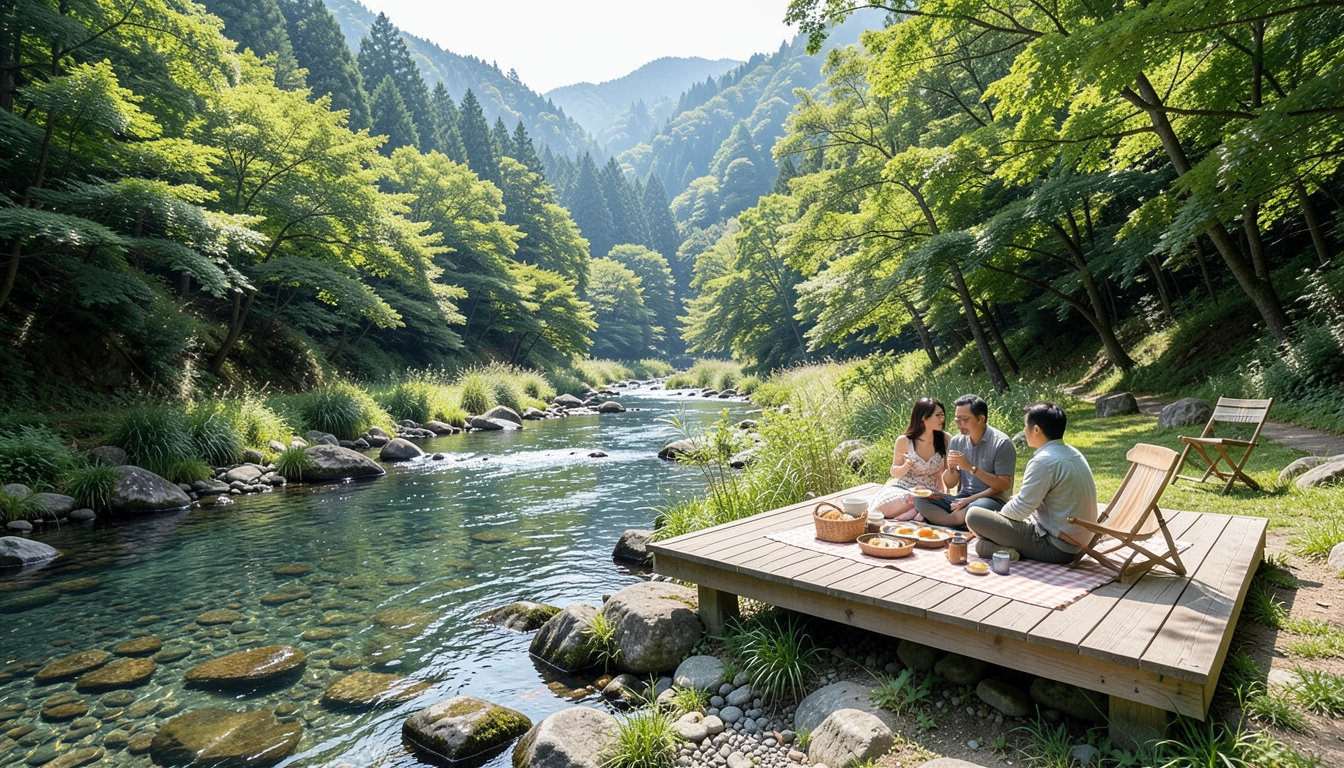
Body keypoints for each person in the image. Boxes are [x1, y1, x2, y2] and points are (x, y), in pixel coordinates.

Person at [965, 401, 1098, 565]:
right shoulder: (1072, 452)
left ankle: (998, 548)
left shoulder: (1044, 462)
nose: (1023, 431)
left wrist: (994, 523)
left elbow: (1020, 510)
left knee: (974, 516)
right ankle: (993, 547)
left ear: (1036, 430)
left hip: (1059, 547)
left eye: (1025, 426)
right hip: (1078, 540)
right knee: (983, 541)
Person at [912, 394, 1016, 527]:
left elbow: (1003, 485)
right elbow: (950, 484)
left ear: (981, 419)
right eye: (957, 420)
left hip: (991, 500)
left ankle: (947, 521)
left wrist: (971, 468)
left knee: (973, 510)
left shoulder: (1001, 443)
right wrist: (951, 469)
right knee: (920, 499)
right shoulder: (956, 441)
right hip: (961, 499)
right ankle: (959, 522)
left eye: (965, 420)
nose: (960, 425)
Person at [867, 398, 951, 521]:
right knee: (890, 504)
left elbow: (946, 473)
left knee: (923, 502)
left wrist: (942, 494)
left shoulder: (946, 439)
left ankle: (914, 513)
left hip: (929, 494)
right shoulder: (904, 441)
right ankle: (917, 513)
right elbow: (894, 472)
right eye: (938, 415)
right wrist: (906, 466)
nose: (942, 419)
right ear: (923, 417)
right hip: (903, 490)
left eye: (942, 415)